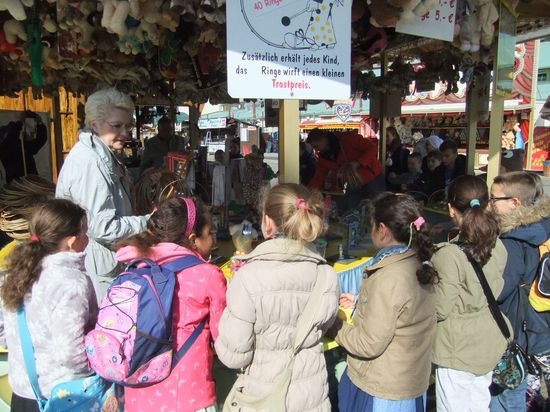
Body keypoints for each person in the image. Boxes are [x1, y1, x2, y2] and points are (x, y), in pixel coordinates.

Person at [215, 183, 339, 411]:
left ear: (267, 222)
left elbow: (234, 356)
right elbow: (324, 325)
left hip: (264, 397)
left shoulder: (248, 277)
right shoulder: (326, 275)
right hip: (311, 398)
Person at [115, 196, 226, 412]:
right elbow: (223, 339)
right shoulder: (208, 275)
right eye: (210, 234)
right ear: (193, 239)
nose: (214, 240)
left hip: (137, 396)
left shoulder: (135, 269)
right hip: (189, 397)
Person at [332, 193, 437, 412]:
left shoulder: (389, 275)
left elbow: (368, 344)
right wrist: (361, 303)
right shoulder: (416, 261)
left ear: (382, 230)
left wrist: (334, 325)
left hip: (384, 388)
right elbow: (402, 313)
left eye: (370, 226)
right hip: (409, 381)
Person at [0, 198, 97, 411]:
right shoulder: (71, 282)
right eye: (85, 232)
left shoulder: (14, 272)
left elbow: (2, 330)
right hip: (62, 395)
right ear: (72, 242)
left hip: (23, 390)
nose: (87, 238)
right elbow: (71, 354)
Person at [56, 88, 149, 301]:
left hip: (105, 263)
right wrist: (147, 222)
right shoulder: (90, 162)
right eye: (116, 126)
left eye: (127, 126)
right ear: (95, 125)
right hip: (97, 269)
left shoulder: (102, 154)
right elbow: (102, 227)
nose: (125, 133)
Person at [432, 175, 509, 412]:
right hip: (488, 340)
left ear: (450, 209)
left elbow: (440, 308)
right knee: (479, 404)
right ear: (487, 205)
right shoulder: (497, 244)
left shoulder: (449, 254)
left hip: (458, 348)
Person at [489, 172, 550, 412]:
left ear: (514, 203)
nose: (490, 204)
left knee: (523, 399)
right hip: (543, 323)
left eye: (494, 199)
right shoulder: (543, 225)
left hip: (526, 333)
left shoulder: (513, 240)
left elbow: (500, 290)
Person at [306, 128, 385, 211]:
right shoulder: (323, 158)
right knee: (353, 210)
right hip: (353, 184)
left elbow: (372, 148)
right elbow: (318, 177)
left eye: (316, 146)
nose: (316, 150)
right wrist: (307, 192)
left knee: (377, 208)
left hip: (373, 177)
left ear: (323, 139)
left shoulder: (348, 139)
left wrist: (358, 162)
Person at [0, 111, 48, 183]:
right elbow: (11, 136)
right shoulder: (3, 148)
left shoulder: (21, 145)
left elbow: (39, 141)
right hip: (16, 184)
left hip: (31, 182)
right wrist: (20, 121)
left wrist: (40, 123)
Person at [385, 126, 410, 191]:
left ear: (394, 136)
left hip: (398, 183)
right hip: (387, 182)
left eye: (387, 136)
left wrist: (397, 175)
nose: (385, 138)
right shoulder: (384, 149)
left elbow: (405, 168)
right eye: (384, 136)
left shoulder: (402, 151)